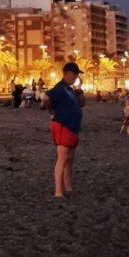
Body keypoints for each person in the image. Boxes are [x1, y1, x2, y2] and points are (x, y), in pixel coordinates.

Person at [44, 63, 85, 199]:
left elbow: (82, 103)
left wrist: (79, 89)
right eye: (75, 74)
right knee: (62, 158)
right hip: (62, 125)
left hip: (73, 127)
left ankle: (68, 186)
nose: (76, 77)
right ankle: (58, 191)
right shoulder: (60, 87)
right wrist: (52, 111)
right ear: (67, 73)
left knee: (70, 159)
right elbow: (46, 98)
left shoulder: (70, 89)